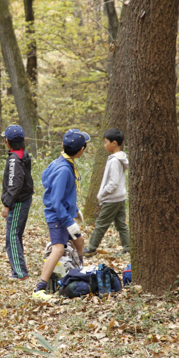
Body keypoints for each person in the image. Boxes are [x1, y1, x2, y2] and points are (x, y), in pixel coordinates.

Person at [33, 129, 89, 300]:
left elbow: (47, 180)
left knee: (79, 241)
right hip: (58, 216)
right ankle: (39, 288)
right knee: (58, 249)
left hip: (64, 213)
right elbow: (56, 201)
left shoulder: (59, 162)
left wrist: (74, 209)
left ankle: (79, 272)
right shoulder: (64, 169)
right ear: (81, 151)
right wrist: (68, 221)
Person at [84, 128, 130, 258]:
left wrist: (102, 194)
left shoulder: (115, 161)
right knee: (121, 225)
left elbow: (113, 182)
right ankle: (128, 248)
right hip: (120, 198)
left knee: (100, 224)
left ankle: (91, 248)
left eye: (106, 142)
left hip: (112, 199)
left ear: (114, 143)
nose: (105, 145)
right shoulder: (120, 158)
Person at [0, 125, 34, 280]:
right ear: (24, 140)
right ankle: (19, 270)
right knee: (16, 235)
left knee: (12, 237)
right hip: (23, 200)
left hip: (18, 202)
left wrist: (7, 205)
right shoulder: (21, 154)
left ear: (7, 142)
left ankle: (20, 273)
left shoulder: (15, 160)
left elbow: (15, 184)